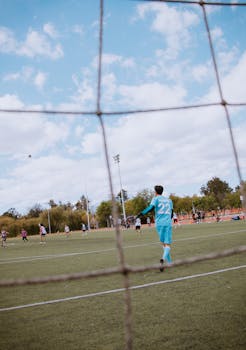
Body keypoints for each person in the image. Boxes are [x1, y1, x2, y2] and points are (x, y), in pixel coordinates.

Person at [138, 185, 173, 272]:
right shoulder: (169, 200)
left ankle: (169, 262)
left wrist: (142, 213)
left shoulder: (156, 199)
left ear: (155, 192)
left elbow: (151, 207)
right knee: (167, 244)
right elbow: (172, 213)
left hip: (159, 223)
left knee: (163, 243)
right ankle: (165, 260)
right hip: (167, 223)